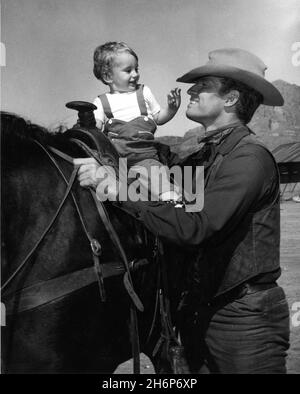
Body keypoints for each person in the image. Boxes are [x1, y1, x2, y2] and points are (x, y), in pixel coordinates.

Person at [74, 48, 290, 373]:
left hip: (245, 319)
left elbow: (194, 227)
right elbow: (151, 187)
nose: (191, 90)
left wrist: (117, 189)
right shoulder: (203, 158)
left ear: (230, 99)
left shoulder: (250, 159)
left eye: (202, 85)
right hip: (200, 315)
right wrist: (100, 153)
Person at [92, 41, 182, 201]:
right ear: (108, 76)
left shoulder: (144, 92)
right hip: (115, 162)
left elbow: (159, 118)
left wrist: (171, 110)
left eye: (136, 69)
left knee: (159, 183)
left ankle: (174, 204)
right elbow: (95, 126)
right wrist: (91, 124)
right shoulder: (100, 102)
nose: (135, 74)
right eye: (128, 70)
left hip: (145, 158)